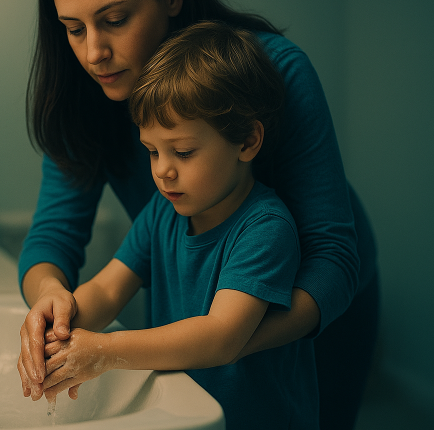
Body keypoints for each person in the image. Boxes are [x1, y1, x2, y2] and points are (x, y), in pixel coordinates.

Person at [18, 0, 379, 428]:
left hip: (316, 302)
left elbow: (332, 257)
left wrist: (219, 337)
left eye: (115, 19)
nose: (93, 52)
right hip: (205, 329)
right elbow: (55, 239)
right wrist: (54, 308)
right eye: (74, 29)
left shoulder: (274, 73)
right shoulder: (140, 187)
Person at [34, 21, 317, 428]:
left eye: (182, 152)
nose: (163, 171)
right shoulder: (162, 213)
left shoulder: (265, 229)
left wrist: (104, 349)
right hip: (189, 414)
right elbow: (108, 287)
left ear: (246, 142)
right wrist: (61, 323)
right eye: (152, 152)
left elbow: (221, 336)